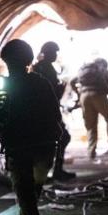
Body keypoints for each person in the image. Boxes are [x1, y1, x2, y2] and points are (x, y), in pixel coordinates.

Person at [0, 39, 62, 215]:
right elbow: (55, 114)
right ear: (30, 60)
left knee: (26, 198)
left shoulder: (2, 87)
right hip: (44, 148)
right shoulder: (41, 82)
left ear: (5, 61)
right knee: (33, 194)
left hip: (19, 149)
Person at [31, 41, 76, 180]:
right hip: (45, 112)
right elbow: (47, 91)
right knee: (62, 138)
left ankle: (46, 171)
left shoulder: (41, 67)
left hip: (43, 110)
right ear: (47, 53)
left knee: (56, 139)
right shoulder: (44, 68)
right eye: (53, 52)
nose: (55, 55)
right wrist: (60, 88)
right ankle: (53, 171)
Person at [70, 58, 108, 159]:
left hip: (84, 97)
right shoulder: (102, 70)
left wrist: (78, 93)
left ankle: (91, 151)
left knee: (91, 125)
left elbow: (72, 81)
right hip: (98, 95)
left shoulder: (83, 70)